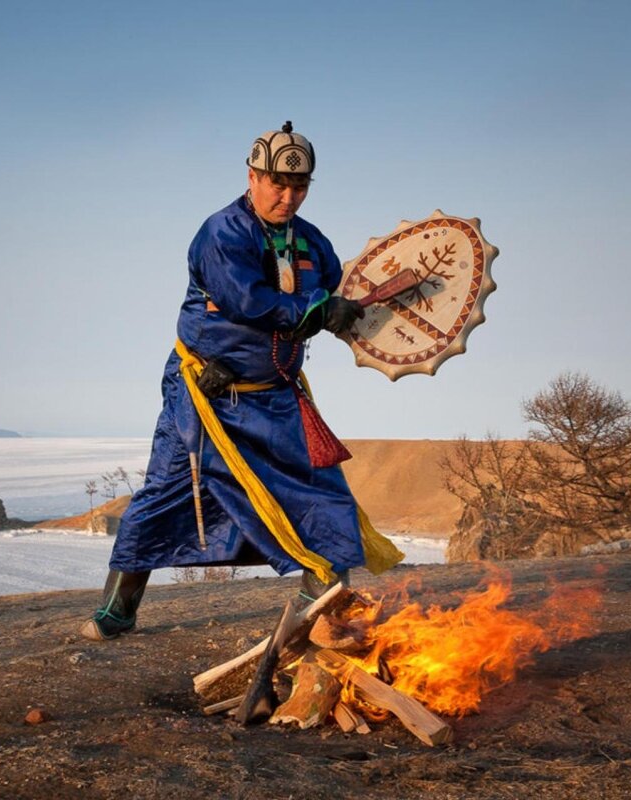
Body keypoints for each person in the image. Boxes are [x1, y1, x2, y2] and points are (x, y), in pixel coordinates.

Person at [81, 122, 402, 641]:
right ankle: (118, 609)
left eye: (299, 186)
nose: (287, 195)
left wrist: (355, 311)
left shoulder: (312, 242)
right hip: (206, 395)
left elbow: (335, 295)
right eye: (276, 182)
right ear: (252, 176)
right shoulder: (222, 233)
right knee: (169, 493)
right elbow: (249, 301)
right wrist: (320, 310)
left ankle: (318, 606)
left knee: (321, 491)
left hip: (277, 397)